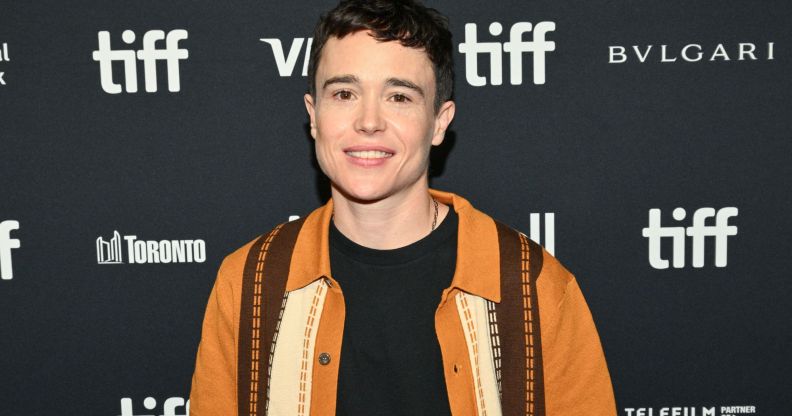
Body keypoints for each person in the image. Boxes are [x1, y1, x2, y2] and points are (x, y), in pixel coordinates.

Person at [189, 1, 617, 415]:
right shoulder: (249, 284)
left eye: (399, 97)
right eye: (343, 93)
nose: (369, 120)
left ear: (439, 122)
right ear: (314, 114)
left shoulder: (532, 286)